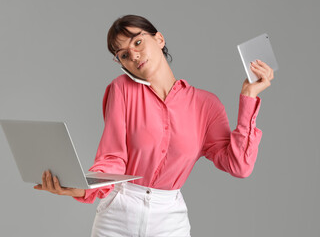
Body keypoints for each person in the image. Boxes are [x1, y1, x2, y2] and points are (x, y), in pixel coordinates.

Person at [34, 14, 274, 236]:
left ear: (159, 39)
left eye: (138, 43)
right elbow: (112, 158)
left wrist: (249, 96)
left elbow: (239, 165)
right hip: (118, 214)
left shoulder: (206, 105)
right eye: (124, 55)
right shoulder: (122, 90)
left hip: (170, 219)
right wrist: (79, 188)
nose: (134, 55)